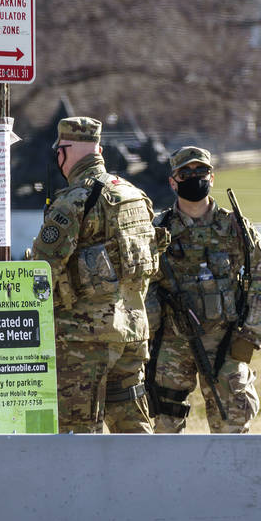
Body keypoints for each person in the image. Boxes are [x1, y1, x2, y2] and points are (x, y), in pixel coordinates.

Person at [29, 116, 164, 433]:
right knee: (133, 435)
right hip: (132, 333)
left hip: (83, 340)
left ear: (64, 150)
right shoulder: (133, 194)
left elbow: (43, 269)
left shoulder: (74, 200)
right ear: (98, 149)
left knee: (76, 437)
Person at [146, 146, 261, 433]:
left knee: (232, 421)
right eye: (185, 173)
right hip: (172, 341)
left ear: (212, 177)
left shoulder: (235, 227)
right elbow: (141, 280)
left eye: (201, 171)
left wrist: (252, 333)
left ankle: (229, 478)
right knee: (165, 423)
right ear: (173, 181)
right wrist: (148, 326)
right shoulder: (157, 229)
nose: (194, 177)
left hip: (225, 340)